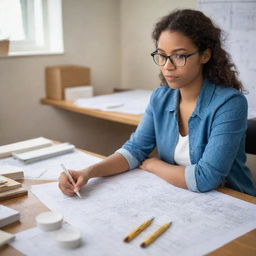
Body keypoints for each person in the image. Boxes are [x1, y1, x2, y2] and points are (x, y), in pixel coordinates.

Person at [59, 9, 256, 196]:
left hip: (234, 201)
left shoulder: (230, 103)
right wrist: (87, 173)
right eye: (162, 55)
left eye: (179, 56)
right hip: (184, 196)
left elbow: (205, 178)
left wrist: (154, 165)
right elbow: (135, 150)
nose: (167, 66)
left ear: (205, 55)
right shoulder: (160, 98)